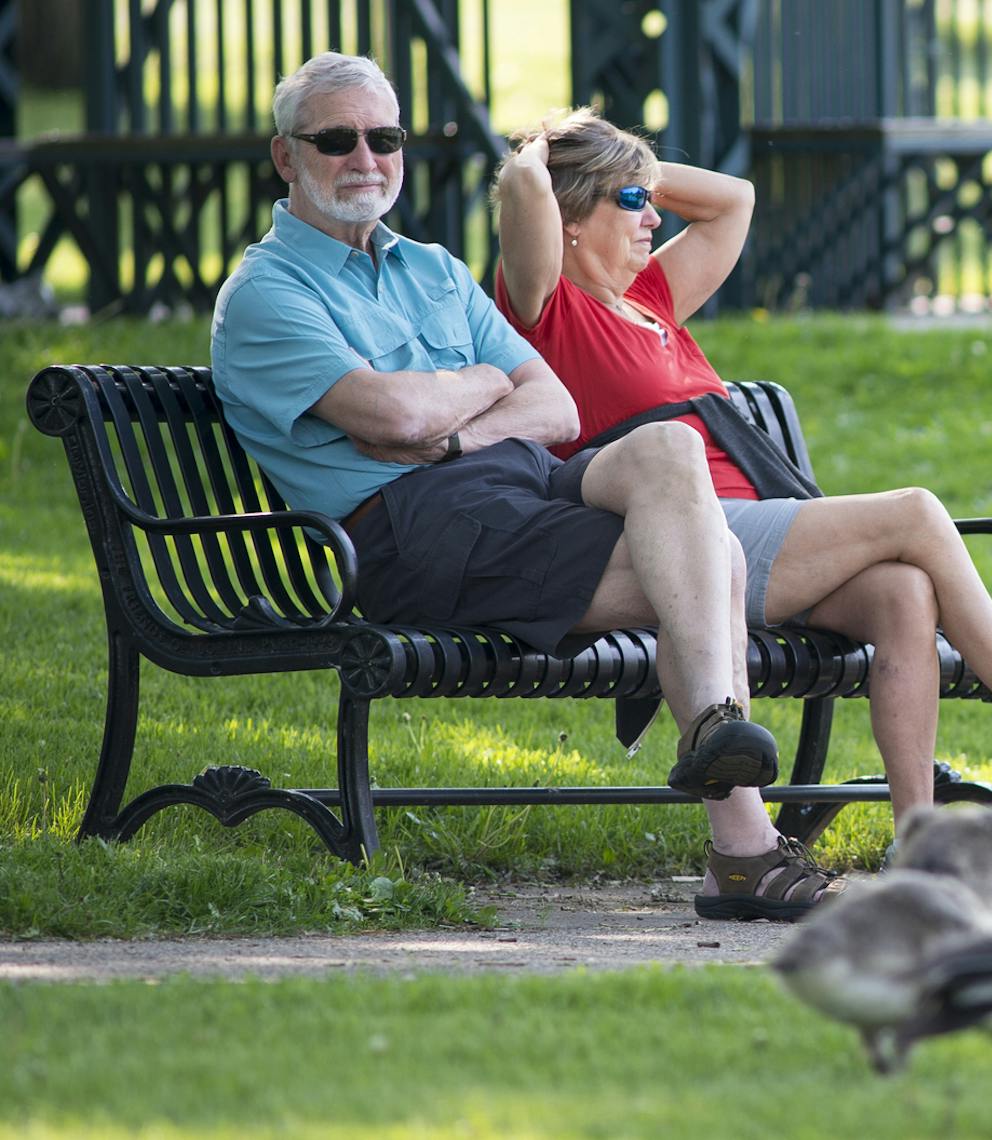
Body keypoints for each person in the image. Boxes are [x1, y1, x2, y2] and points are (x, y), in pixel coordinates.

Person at [209, 52, 841, 922]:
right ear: (287, 157)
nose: (366, 158)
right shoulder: (267, 295)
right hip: (412, 528)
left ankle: (718, 744)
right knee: (714, 561)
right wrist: (475, 386)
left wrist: (455, 425)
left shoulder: (430, 268)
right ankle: (739, 832)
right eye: (336, 139)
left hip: (519, 486)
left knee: (667, 451)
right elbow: (389, 416)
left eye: (384, 137)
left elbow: (553, 403)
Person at [489, 109, 992, 833]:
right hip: (696, 541)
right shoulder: (546, 309)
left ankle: (917, 841)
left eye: (650, 199)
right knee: (916, 511)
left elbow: (736, 198)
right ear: (571, 216)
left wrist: (630, 174)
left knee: (904, 592)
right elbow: (526, 188)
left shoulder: (652, 300)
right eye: (632, 203)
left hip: (764, 526)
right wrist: (551, 154)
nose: (652, 218)